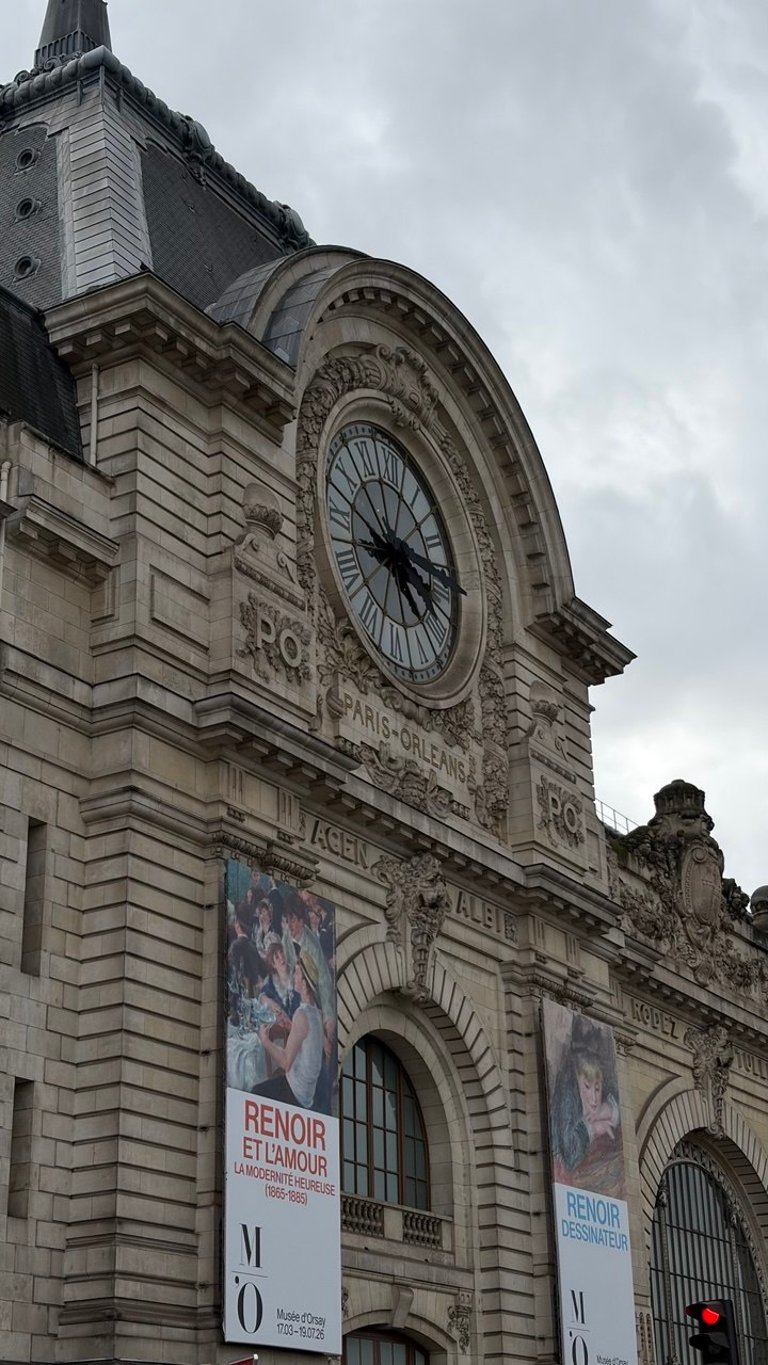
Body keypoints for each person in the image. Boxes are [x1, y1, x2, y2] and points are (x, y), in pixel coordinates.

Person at [550, 1019, 621, 1189]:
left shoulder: (607, 1120)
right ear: (575, 1088)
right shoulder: (567, 1106)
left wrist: (611, 1110)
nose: (594, 1099)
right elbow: (569, 1155)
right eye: (587, 1087)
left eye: (597, 1089)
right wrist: (591, 1129)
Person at [253, 953, 324, 1109]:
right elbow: (305, 1036)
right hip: (308, 1094)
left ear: (304, 983)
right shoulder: (317, 1014)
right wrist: (290, 1026)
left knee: (255, 1091)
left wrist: (265, 1041)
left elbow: (285, 1063)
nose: (294, 976)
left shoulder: (302, 1014)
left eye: (297, 973)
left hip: (295, 1093)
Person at [260, 940, 300, 1026]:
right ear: (273, 965)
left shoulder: (296, 974)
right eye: (277, 957)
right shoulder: (271, 983)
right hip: (284, 1027)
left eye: (282, 953)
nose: (281, 957)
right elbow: (261, 996)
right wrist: (266, 1000)